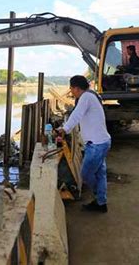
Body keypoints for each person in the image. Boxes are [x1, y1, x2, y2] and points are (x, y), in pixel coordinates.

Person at [59, 75, 111, 213]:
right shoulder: (93, 95)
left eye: (71, 88)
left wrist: (64, 129)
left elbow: (76, 115)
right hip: (102, 142)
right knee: (100, 174)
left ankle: (98, 198)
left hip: (96, 145)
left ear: (76, 88)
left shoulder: (86, 97)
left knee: (86, 174)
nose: (71, 91)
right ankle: (101, 203)